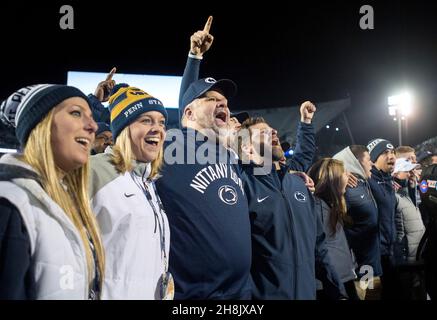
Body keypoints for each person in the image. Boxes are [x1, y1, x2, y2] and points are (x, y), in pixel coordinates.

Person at [155, 17, 252, 299]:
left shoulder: (229, 156)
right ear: (187, 115)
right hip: (195, 296)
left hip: (240, 294)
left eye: (225, 102)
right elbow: (187, 102)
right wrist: (193, 58)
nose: (223, 104)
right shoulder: (171, 144)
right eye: (212, 99)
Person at [0, 84, 105, 299]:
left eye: (91, 117)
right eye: (76, 113)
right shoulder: (11, 202)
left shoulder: (66, 203)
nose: (93, 126)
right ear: (42, 124)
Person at [238, 116, 346, 300]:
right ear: (247, 148)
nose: (273, 132)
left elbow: (318, 246)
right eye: (263, 132)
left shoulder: (298, 184)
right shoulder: (242, 187)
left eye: (272, 130)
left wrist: (338, 292)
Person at [89, 84, 172, 300]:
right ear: (124, 129)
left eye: (162, 122)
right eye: (146, 120)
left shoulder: (147, 181)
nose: (158, 129)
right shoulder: (93, 170)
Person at [333, 145, 382, 299]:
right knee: (366, 296)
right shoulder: (346, 189)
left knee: (373, 295)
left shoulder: (362, 184)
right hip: (361, 268)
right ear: (355, 162)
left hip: (370, 265)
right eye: (368, 160)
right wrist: (337, 178)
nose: (372, 164)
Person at [308, 158, 358, 300]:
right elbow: (319, 249)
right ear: (332, 179)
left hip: (342, 279)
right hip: (330, 286)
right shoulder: (316, 207)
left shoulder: (330, 205)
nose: (349, 176)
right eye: (344, 173)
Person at [366, 138, 399, 299]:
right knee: (370, 294)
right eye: (385, 152)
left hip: (389, 251)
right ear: (373, 159)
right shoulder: (364, 181)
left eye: (393, 152)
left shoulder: (388, 181)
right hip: (370, 255)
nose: (391, 156)